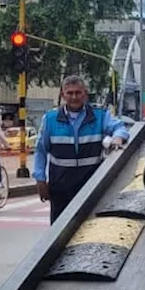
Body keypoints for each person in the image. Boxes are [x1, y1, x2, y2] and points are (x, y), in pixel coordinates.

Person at [34, 75, 131, 223]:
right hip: (61, 188)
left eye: (78, 93)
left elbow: (119, 128)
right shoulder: (50, 119)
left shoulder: (100, 115)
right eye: (70, 93)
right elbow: (40, 150)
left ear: (85, 94)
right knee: (59, 233)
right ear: (63, 95)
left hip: (91, 187)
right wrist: (40, 180)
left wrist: (118, 137)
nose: (74, 97)